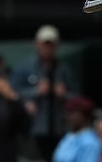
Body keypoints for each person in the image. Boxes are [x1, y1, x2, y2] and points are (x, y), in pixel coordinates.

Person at [12, 25, 75, 162]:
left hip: (59, 128)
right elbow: (13, 94)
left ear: (57, 45)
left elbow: (76, 97)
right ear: (37, 44)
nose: (48, 48)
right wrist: (35, 92)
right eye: (45, 44)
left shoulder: (63, 69)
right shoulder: (25, 67)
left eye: (51, 44)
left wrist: (64, 94)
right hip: (33, 129)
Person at [51, 96, 102, 162]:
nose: (69, 116)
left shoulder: (90, 142)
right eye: (69, 112)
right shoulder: (69, 136)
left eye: (73, 113)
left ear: (85, 115)